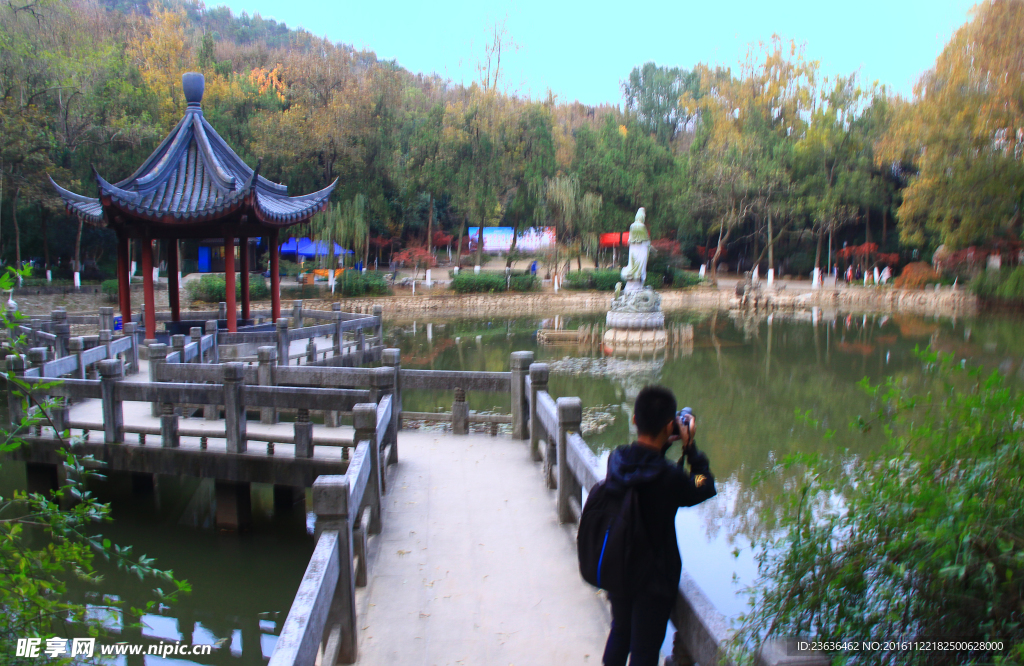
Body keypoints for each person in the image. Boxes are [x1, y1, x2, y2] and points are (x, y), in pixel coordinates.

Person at [602, 386, 716, 666]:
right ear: (669, 426)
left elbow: (643, 463)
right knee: (644, 652)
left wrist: (664, 439)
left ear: (634, 420)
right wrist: (690, 449)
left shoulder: (616, 460)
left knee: (620, 632)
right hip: (653, 581)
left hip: (620, 566)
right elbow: (703, 485)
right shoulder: (669, 477)